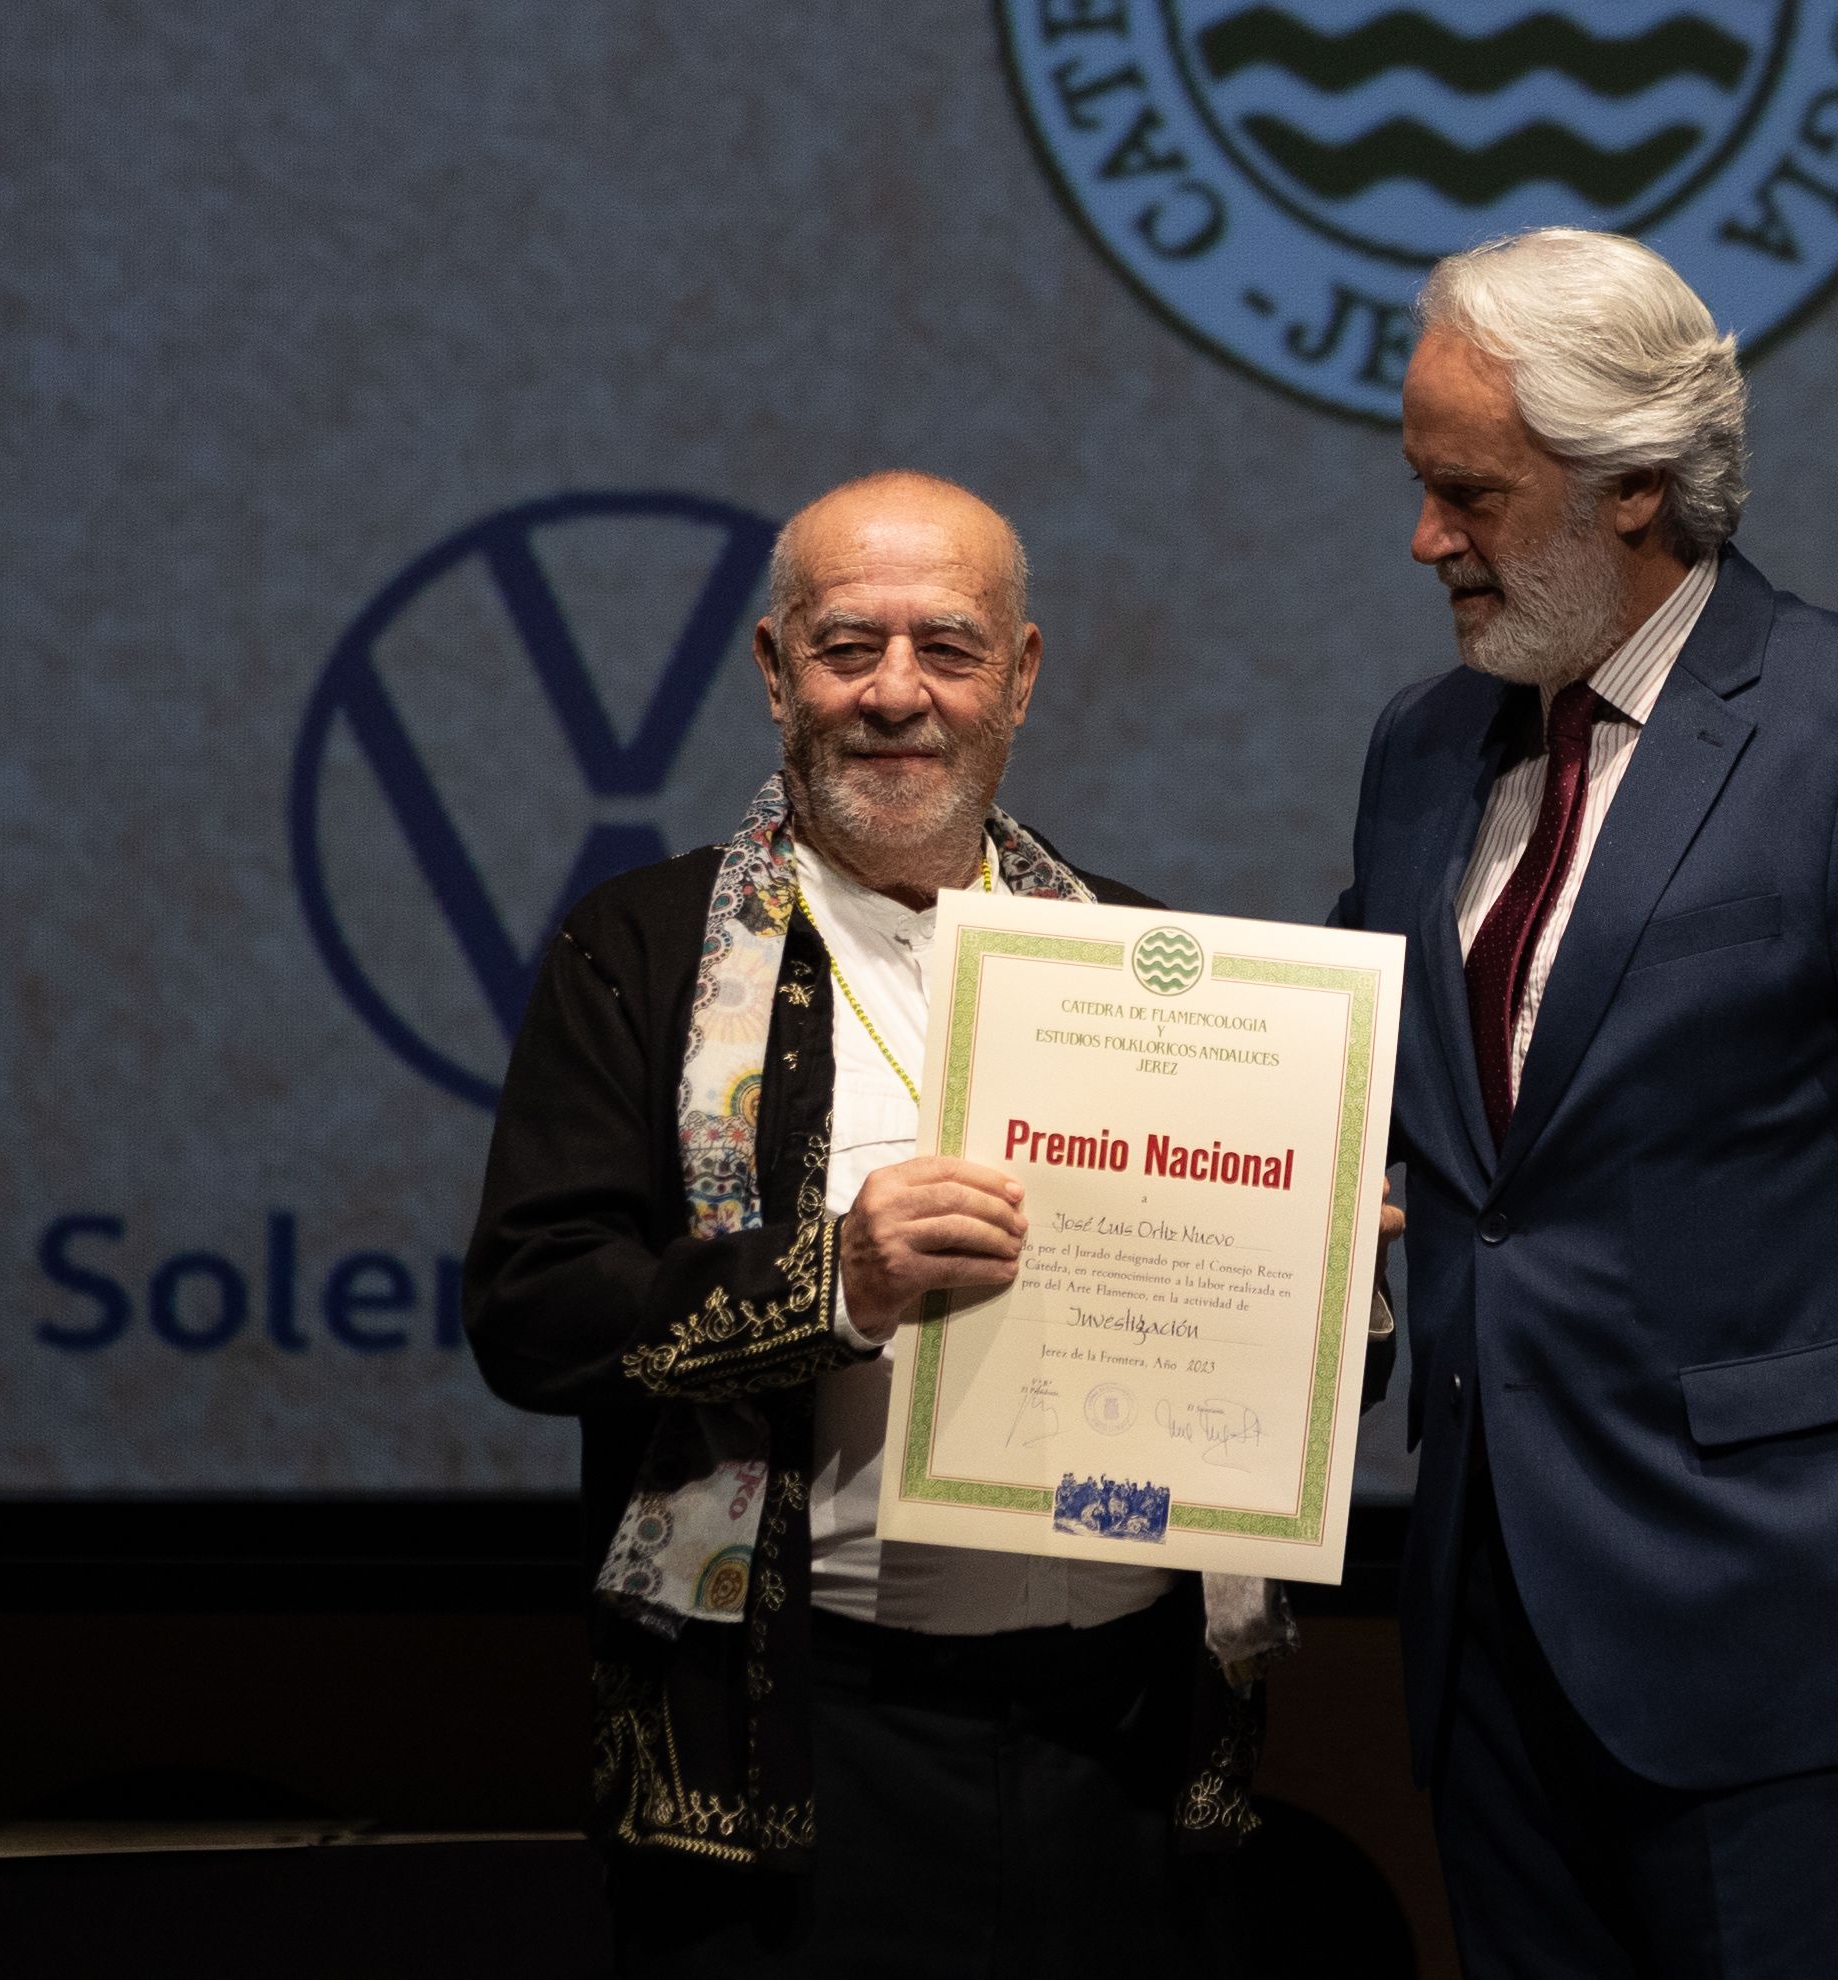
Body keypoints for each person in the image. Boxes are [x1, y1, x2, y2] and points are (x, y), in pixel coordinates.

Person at [1333, 228, 1838, 1974]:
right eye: (1421, 487)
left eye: (1467, 492)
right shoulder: (1424, 747)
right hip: (1488, 1631)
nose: (1424, 540)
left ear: (1632, 487)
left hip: (1790, 1641)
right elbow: (1332, 1076)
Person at [465, 472, 1278, 1976]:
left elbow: (1275, 1383)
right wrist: (831, 1281)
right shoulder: (640, 953)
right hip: (807, 1743)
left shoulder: (1158, 966)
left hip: (1123, 1745)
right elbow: (533, 1308)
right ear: (777, 670)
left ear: (1019, 678)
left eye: (948, 648)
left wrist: (1314, 1275)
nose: (896, 694)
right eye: (850, 646)